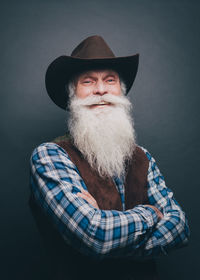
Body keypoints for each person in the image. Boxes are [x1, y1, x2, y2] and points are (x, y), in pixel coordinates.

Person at [29, 35, 189, 280]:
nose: (101, 89)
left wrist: (107, 234)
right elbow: (95, 236)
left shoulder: (143, 157)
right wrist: (150, 214)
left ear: (120, 91)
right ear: (73, 96)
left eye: (110, 80)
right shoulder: (50, 156)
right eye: (88, 81)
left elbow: (180, 229)